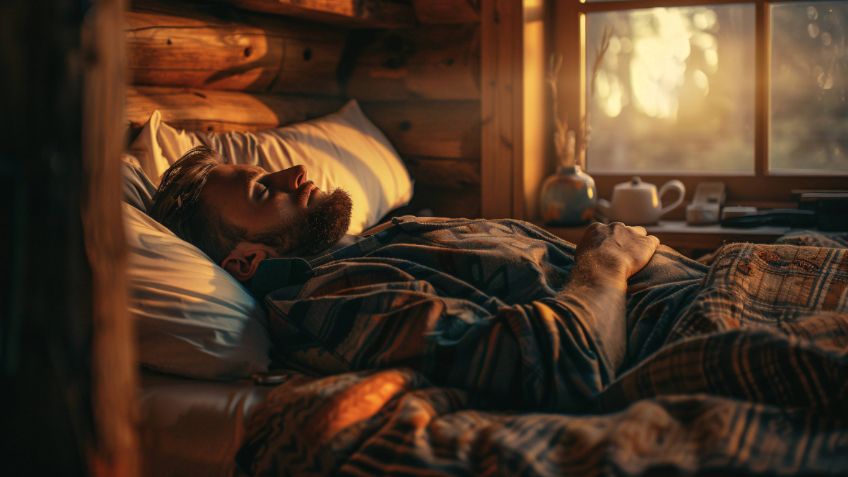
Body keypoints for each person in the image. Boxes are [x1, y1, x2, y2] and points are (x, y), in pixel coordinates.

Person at [149, 146, 846, 412]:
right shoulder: (328, 297)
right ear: (246, 262)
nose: (295, 173)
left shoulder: (381, 238)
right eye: (267, 192)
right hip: (715, 323)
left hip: (753, 278)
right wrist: (605, 259)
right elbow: (562, 367)